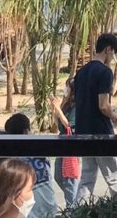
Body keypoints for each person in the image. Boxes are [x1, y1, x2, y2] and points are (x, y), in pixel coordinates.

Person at [73, 33, 117, 203]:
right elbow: (103, 105)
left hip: (82, 132)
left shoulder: (81, 72)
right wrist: (115, 117)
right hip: (101, 133)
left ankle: (78, 212)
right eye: (113, 53)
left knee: (86, 178)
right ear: (108, 49)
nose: (113, 57)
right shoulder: (104, 72)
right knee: (114, 177)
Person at [0, 113, 56, 217]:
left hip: (29, 212)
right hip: (50, 206)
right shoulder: (41, 149)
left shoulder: (12, 161)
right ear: (26, 131)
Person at [51, 77, 80, 207]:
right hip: (61, 144)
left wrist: (58, 110)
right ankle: (75, 201)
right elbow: (58, 126)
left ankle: (72, 207)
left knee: (69, 179)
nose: (65, 89)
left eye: (67, 86)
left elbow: (70, 125)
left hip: (70, 147)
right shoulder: (66, 104)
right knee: (58, 176)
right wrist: (55, 111)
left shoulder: (76, 107)